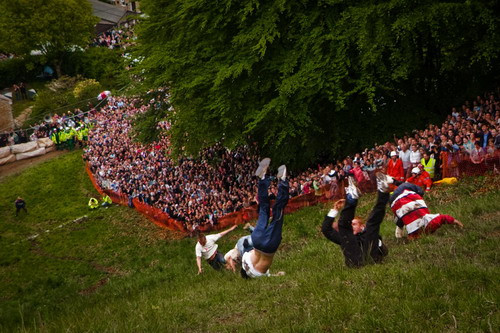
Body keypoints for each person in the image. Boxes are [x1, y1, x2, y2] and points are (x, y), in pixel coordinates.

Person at [320, 173, 391, 267]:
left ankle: (382, 192)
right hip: (355, 263)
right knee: (344, 227)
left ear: (362, 226)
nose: (351, 226)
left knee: (372, 223)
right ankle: (351, 198)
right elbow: (326, 229)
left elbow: (385, 252)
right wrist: (334, 210)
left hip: (372, 259)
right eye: (351, 224)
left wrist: (378, 242)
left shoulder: (369, 234)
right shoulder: (345, 239)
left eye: (354, 224)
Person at [241, 158, 288, 278]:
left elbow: (273, 275)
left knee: (278, 214)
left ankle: (282, 181)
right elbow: (247, 248)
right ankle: (262, 179)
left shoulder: (257, 275)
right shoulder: (244, 260)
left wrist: (279, 275)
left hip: (269, 247)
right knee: (263, 209)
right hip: (256, 241)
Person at [390, 182, 463, 240]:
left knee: (405, 213)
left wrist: (459, 224)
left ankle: (399, 232)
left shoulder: (431, 224)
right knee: (401, 216)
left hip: (405, 191)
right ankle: (398, 233)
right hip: (394, 202)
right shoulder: (413, 234)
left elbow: (444, 218)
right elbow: (411, 239)